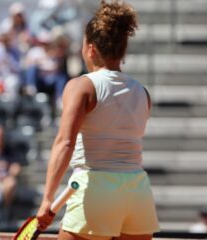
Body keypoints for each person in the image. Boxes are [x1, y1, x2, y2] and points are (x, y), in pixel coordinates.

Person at [35, 1, 160, 240]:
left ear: (90, 49)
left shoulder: (81, 86)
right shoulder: (142, 92)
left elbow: (64, 143)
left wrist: (47, 199)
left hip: (95, 188)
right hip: (138, 191)